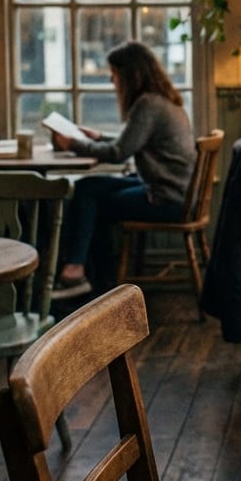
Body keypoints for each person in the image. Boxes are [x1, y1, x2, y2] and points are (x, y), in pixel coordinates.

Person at [50, 41, 196, 300]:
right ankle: (89, 276)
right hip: (173, 191)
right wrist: (99, 136)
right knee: (87, 188)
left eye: (115, 73)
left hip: (166, 198)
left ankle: (83, 276)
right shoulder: (163, 101)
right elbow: (132, 140)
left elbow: (119, 154)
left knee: (92, 200)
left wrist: (73, 143)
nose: (111, 79)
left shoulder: (148, 104)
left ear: (130, 75)